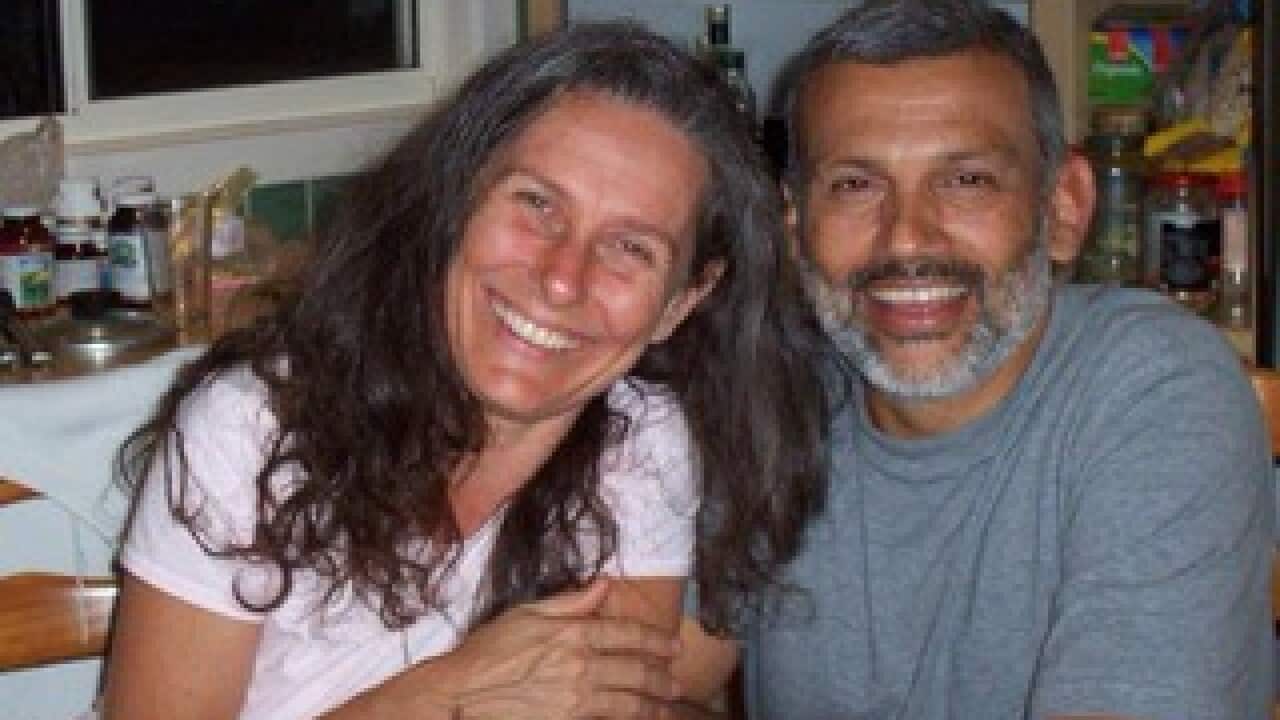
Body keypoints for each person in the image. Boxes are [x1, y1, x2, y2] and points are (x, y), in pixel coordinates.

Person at [100, 21, 829, 720]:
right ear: (455, 201)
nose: (562, 279)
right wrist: (449, 695)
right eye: (537, 204)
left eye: (630, 248)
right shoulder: (253, 429)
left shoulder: (642, 444)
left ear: (682, 302)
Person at [677, 1, 1275, 718]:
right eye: (855, 185)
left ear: (1063, 209)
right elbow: (660, 676)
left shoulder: (1157, 388)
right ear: (794, 227)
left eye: (966, 181)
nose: (905, 240)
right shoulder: (775, 394)